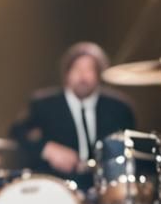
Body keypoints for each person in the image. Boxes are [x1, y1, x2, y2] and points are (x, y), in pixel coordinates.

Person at [10, 42, 136, 187]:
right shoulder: (44, 104)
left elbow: (131, 149)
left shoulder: (119, 108)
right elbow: (17, 132)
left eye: (89, 69)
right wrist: (46, 149)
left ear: (99, 75)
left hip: (106, 187)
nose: (83, 76)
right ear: (67, 73)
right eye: (77, 69)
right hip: (56, 187)